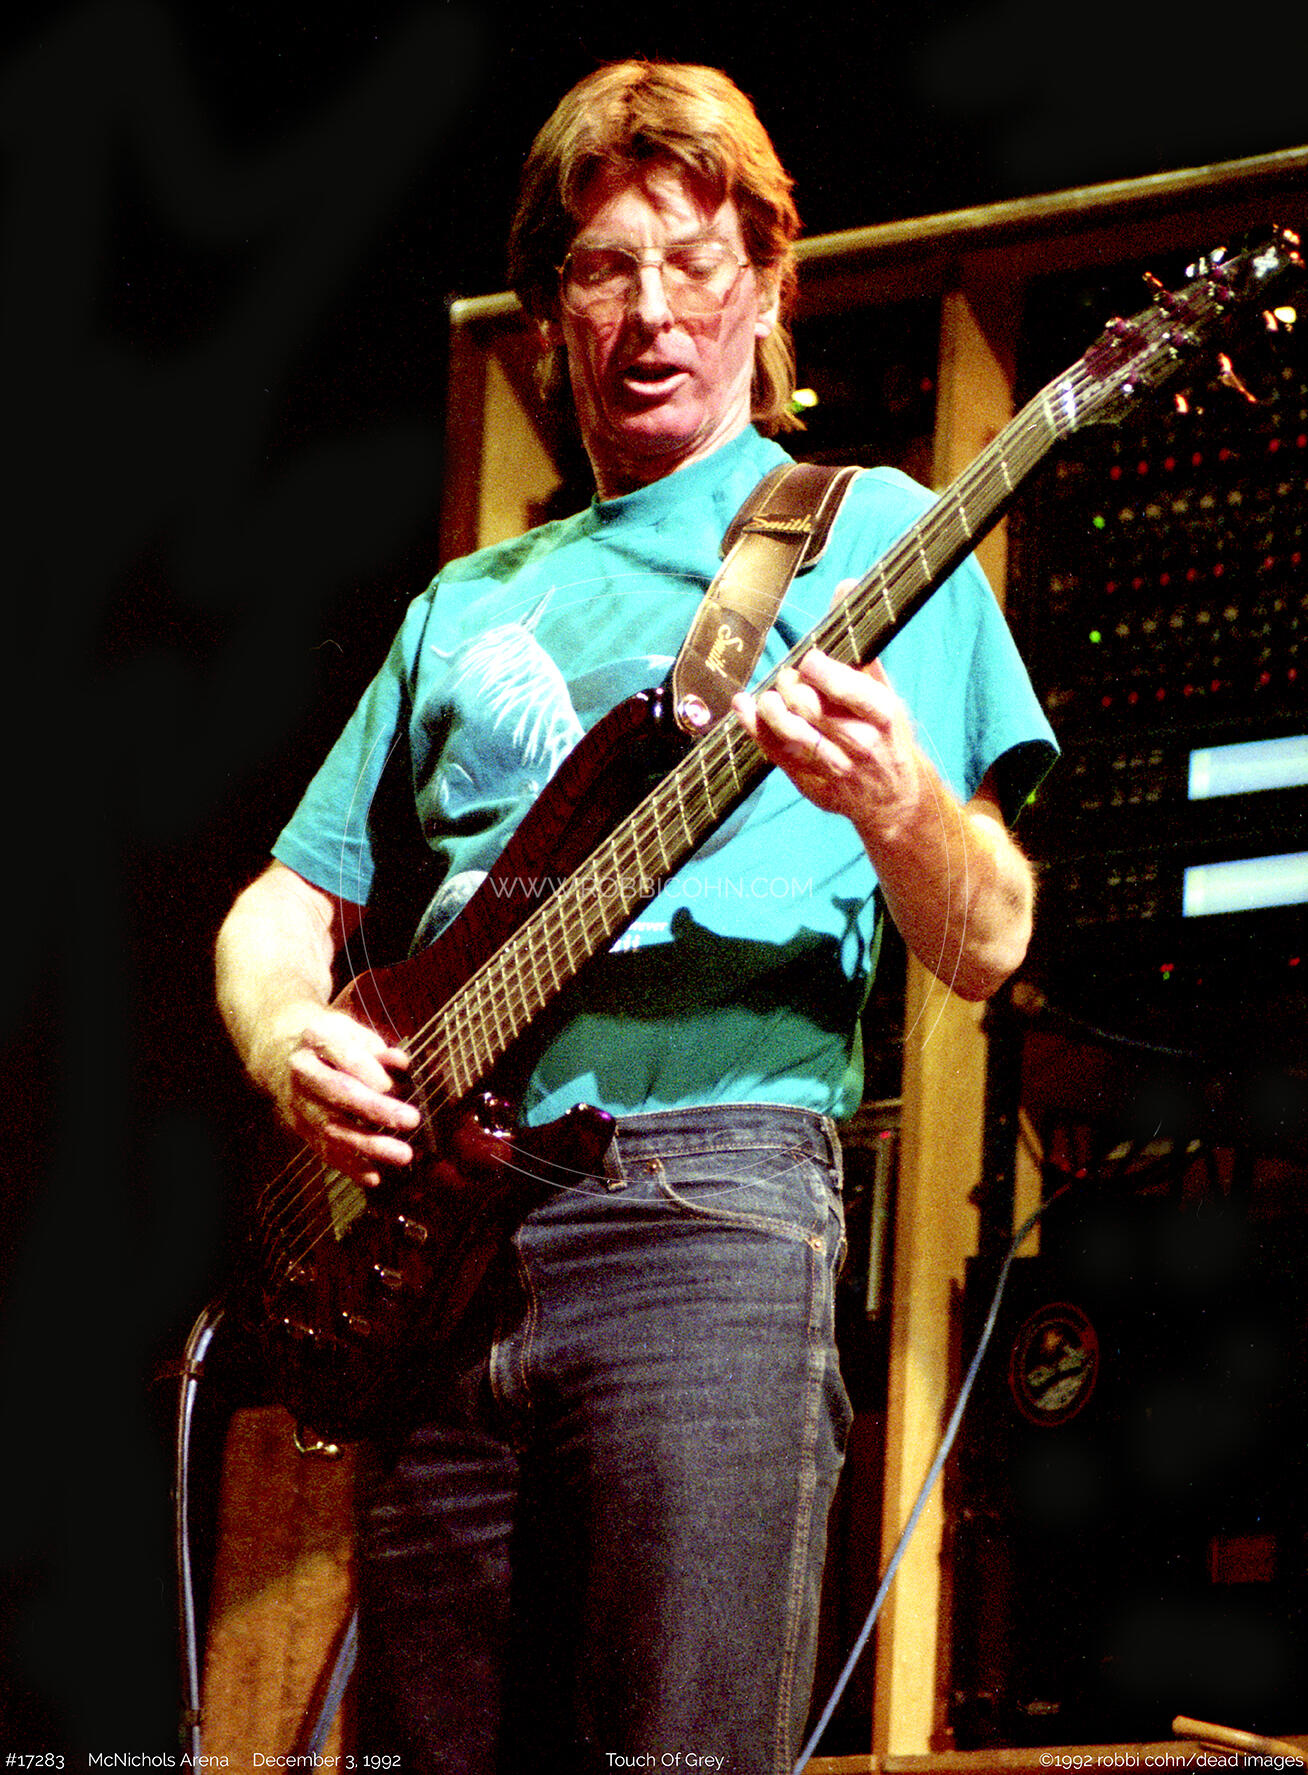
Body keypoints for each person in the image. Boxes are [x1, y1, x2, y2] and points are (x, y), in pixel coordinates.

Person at [215, 59, 1056, 1775]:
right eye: (605, 268)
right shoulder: (466, 603)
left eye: (692, 261)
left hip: (705, 1217)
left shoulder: (874, 537)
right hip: (436, 1245)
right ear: (552, 315)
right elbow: (282, 905)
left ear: (767, 287)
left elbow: (990, 935)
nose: (652, 309)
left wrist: (896, 801)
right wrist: (294, 1037)